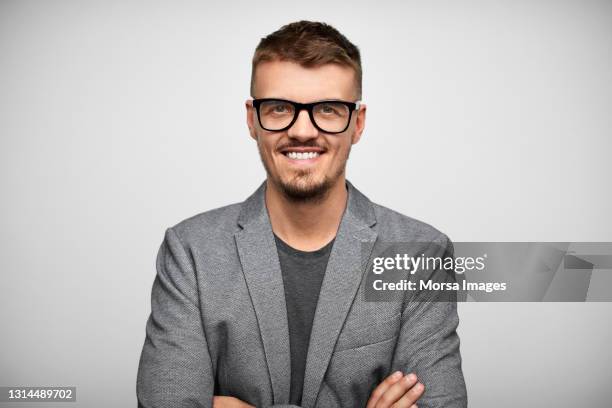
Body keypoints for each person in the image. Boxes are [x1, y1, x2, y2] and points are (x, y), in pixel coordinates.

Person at [136, 20, 467, 408]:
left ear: (357, 124)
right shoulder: (190, 251)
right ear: (252, 120)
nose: (304, 131)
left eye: (328, 109)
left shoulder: (420, 254)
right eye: (279, 108)